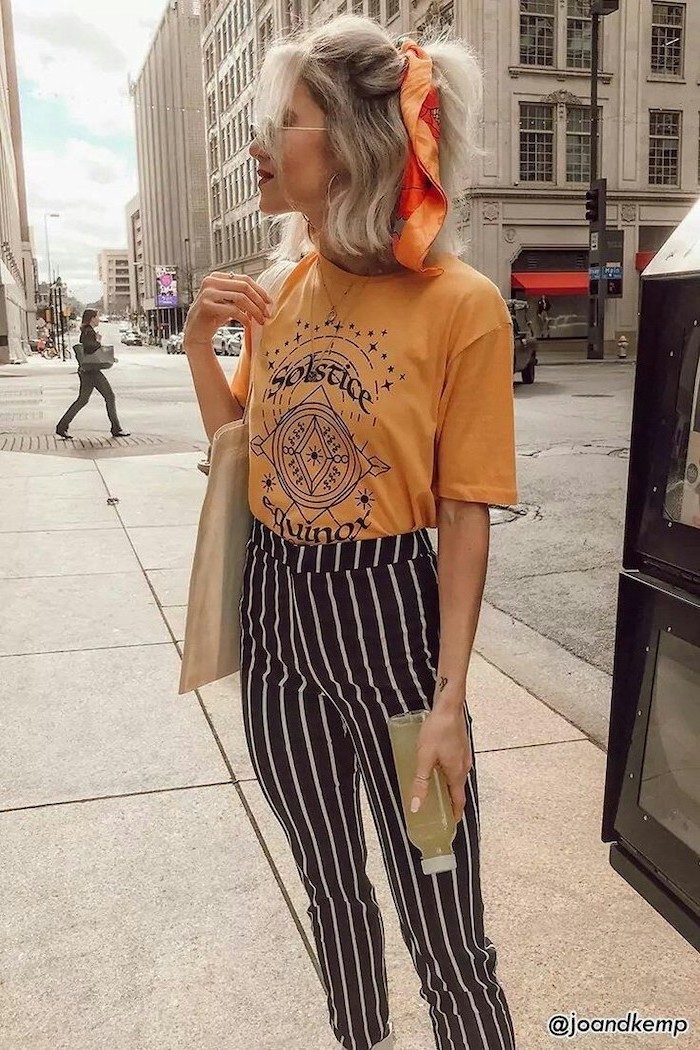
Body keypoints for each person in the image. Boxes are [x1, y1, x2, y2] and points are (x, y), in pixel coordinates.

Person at [183, 16, 517, 1050]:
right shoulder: (275, 291)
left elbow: (463, 515)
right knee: (331, 896)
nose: (260, 149)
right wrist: (205, 339)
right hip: (279, 627)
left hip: (393, 628)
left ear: (356, 143)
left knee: (441, 915)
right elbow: (242, 449)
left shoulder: (461, 305)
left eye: (283, 123)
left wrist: (450, 704)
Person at [56, 309, 130, 439]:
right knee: (109, 396)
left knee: (82, 400)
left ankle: (62, 426)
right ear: (92, 318)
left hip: (87, 371)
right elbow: (90, 348)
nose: (99, 319)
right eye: (97, 317)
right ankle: (116, 428)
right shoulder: (89, 331)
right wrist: (98, 341)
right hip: (92, 372)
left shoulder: (86, 330)